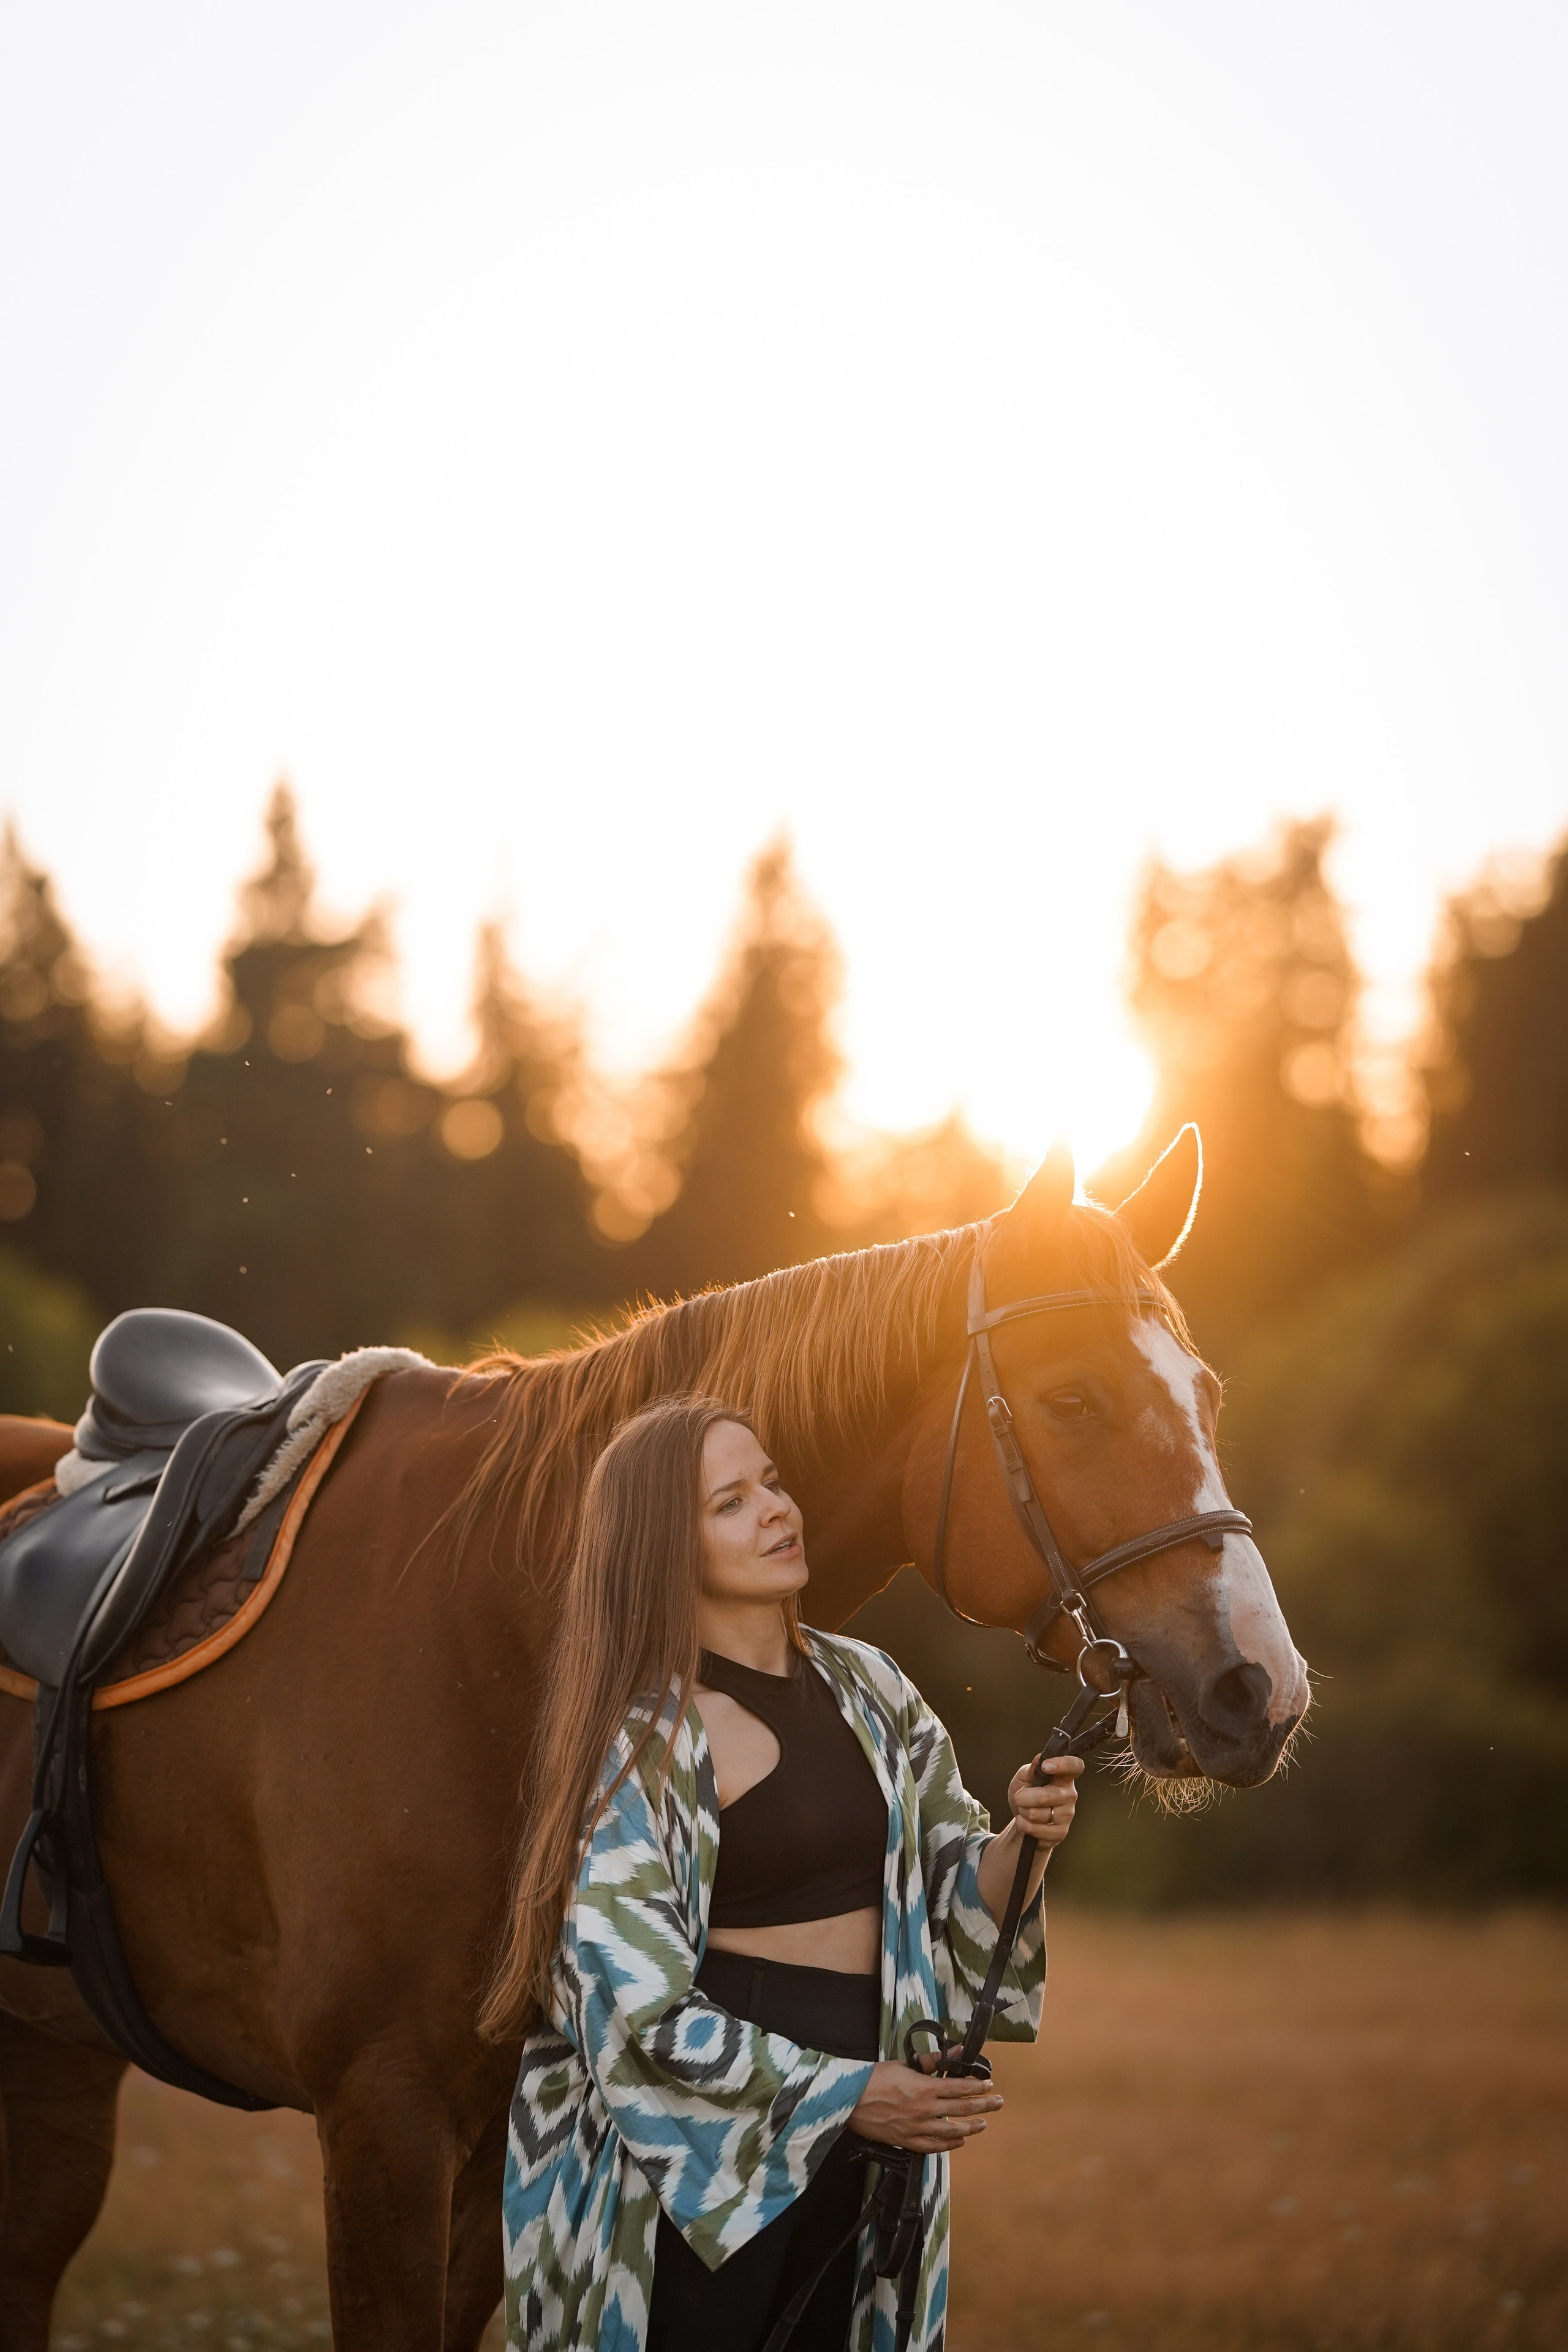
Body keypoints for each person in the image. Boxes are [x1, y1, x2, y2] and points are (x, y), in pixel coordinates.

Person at [487, 1395, 1082, 2352]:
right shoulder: (646, 1741)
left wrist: (1025, 1838)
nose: (774, 1509)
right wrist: (848, 2094)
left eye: (771, 1481)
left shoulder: (875, 1689)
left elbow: (957, 1905)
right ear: (663, 1548)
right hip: (703, 2151)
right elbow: (631, 2010)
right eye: (730, 1502)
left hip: (874, 2106)